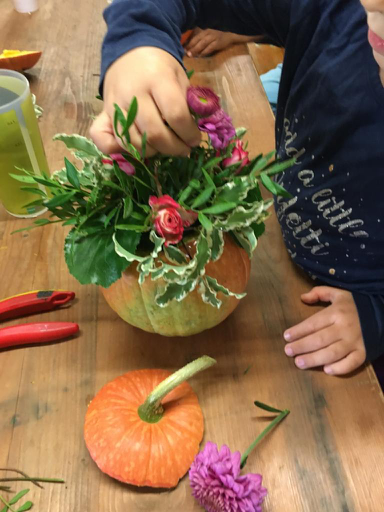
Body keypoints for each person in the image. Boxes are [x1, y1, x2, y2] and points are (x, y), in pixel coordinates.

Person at [90, 0, 384, 376]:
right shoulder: (336, 10)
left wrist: (377, 315)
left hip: (360, 327)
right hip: (290, 246)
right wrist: (137, 40)